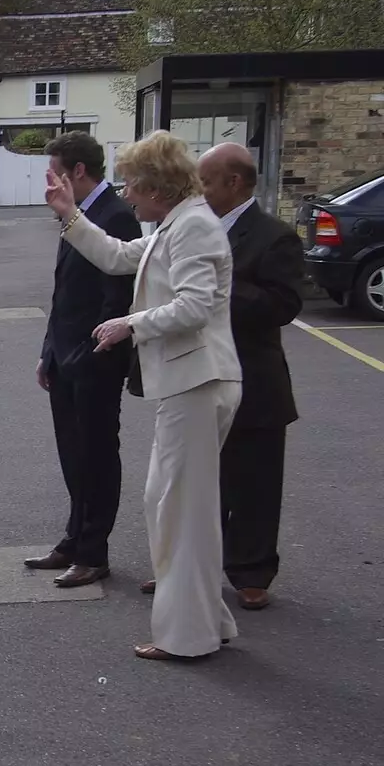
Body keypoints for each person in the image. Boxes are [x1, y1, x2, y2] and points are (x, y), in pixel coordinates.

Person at [45, 130, 242, 661]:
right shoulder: (175, 224)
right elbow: (115, 256)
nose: (126, 195)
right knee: (174, 505)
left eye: (132, 185)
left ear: (158, 186)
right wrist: (70, 215)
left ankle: (188, 637)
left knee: (179, 510)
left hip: (200, 382)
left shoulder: (193, 226)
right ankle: (209, 622)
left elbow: (195, 306)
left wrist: (129, 322)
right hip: (187, 384)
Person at [135, 142, 299, 611]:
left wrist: (216, 285)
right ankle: (185, 571)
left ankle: (252, 572)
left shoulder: (274, 236)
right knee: (195, 488)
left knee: (254, 483)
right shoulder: (188, 226)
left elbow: (283, 304)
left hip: (255, 376)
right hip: (196, 374)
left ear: (235, 183)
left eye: (206, 180)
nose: (199, 188)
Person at [27, 132, 143, 589]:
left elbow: (115, 300)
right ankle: (74, 540)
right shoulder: (76, 213)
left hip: (95, 362)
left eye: (54, 173)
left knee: (96, 457)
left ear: (78, 171)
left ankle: (95, 553)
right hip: (64, 360)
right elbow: (66, 295)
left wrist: (83, 357)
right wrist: (48, 353)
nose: (49, 184)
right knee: (73, 457)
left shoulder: (115, 216)